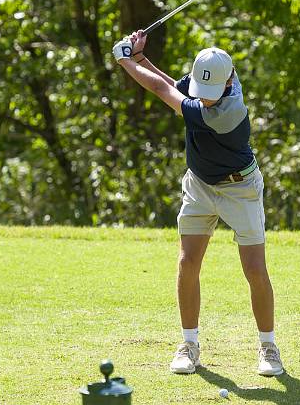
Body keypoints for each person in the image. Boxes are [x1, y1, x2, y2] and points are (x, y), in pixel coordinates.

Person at [112, 30, 283, 376]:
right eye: (200, 92)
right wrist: (141, 58)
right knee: (188, 262)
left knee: (254, 268)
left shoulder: (226, 112)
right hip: (200, 185)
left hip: (241, 188)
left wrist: (124, 60)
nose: (203, 99)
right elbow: (174, 84)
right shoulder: (211, 79)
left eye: (210, 94)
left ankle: (268, 347)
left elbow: (162, 91)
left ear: (229, 81)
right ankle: (189, 344)